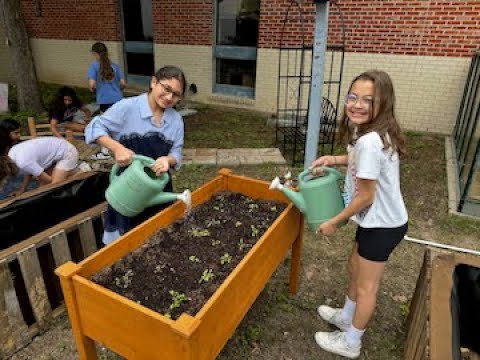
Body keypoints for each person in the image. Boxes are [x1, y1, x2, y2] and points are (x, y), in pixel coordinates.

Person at [311, 70, 408, 359]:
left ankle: (351, 342)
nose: (357, 104)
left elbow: (366, 195)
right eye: (353, 97)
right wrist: (334, 159)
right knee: (354, 266)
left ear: (383, 103)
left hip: (383, 225)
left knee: (367, 287)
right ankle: (346, 316)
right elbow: (359, 161)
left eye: (368, 100)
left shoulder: (370, 140)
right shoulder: (367, 133)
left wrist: (333, 221)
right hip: (373, 221)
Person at [85, 65, 187, 245]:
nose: (170, 97)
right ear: (154, 82)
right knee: (124, 244)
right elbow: (94, 127)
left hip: (158, 188)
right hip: (128, 188)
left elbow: (176, 152)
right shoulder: (127, 108)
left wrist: (167, 160)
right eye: (166, 89)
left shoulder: (175, 120)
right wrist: (116, 148)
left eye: (176, 94)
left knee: (157, 239)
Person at [0, 136, 81, 196]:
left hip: (67, 152)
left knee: (53, 187)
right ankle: (69, 171)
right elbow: (30, 170)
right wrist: (22, 190)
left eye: (4, 180)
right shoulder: (10, 156)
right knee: (42, 187)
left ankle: (78, 172)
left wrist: (40, 188)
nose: (6, 181)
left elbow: (49, 180)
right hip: (52, 153)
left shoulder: (23, 162)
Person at [88, 42, 127, 113]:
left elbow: (92, 85)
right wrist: (118, 90)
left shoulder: (93, 66)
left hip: (103, 100)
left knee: (106, 121)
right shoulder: (115, 66)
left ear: (94, 53)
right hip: (117, 98)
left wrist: (94, 90)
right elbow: (123, 83)